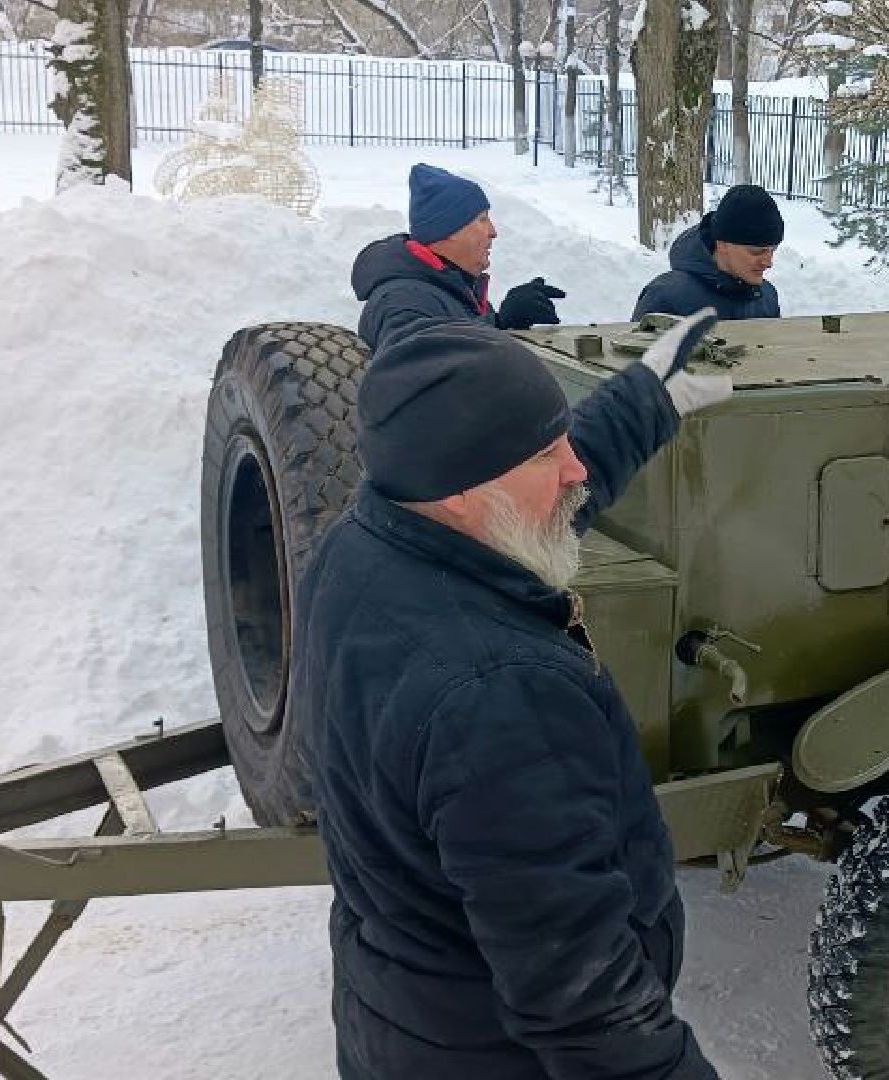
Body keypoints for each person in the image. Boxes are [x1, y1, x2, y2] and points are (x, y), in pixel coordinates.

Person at [295, 311, 732, 1077]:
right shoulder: (500, 699)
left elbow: (541, 499)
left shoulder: (365, 541)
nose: (575, 470)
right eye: (545, 453)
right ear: (461, 489)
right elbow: (588, 1005)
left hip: (401, 1012)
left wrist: (645, 399)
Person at [351, 163, 567, 353]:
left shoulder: (449, 285)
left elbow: (462, 351)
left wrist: (505, 321)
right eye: (482, 219)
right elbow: (426, 376)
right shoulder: (405, 304)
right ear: (449, 231)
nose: (493, 232)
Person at [633, 184, 785, 320]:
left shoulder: (766, 298)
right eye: (756, 252)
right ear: (722, 245)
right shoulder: (665, 298)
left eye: (773, 250)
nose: (768, 263)